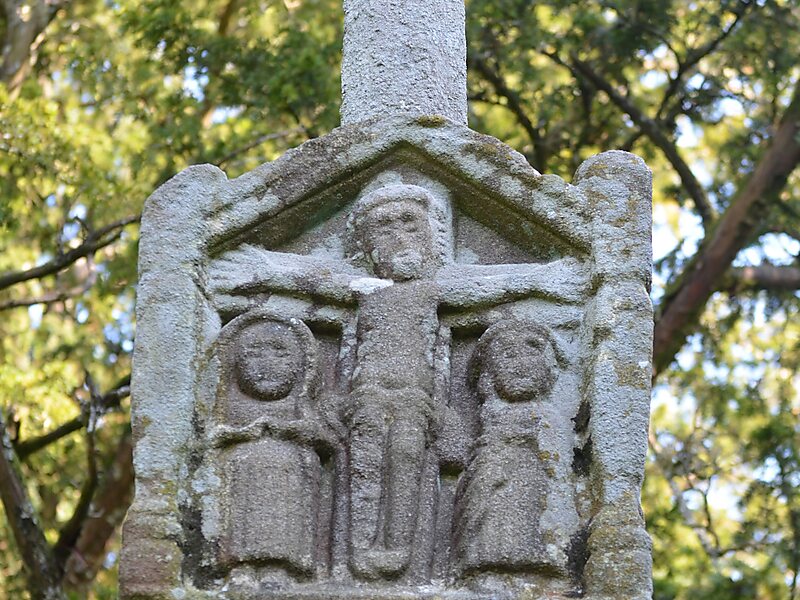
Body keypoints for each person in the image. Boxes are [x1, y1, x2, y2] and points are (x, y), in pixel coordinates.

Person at [213, 313, 334, 581]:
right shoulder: (230, 405)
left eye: (280, 355)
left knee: (292, 465)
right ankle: (240, 567)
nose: (266, 364)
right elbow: (212, 437)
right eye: (253, 354)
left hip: (290, 477)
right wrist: (241, 433)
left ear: (303, 365)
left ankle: (279, 569)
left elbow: (325, 439)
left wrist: (294, 431)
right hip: (242, 473)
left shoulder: (302, 406)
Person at [453, 319, 562, 576]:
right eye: (508, 356)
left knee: (523, 505)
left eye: (530, 353)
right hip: (489, 477)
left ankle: (528, 552)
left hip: (530, 481)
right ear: (489, 376)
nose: (520, 365)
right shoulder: (491, 413)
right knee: (489, 514)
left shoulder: (548, 415)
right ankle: (484, 554)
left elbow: (554, 461)